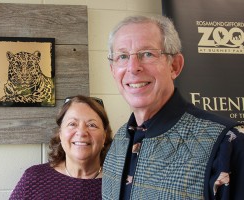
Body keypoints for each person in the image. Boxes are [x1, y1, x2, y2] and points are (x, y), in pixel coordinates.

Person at [102, 15, 244, 200]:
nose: (133, 67)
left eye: (147, 54)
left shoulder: (227, 143)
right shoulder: (119, 141)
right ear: (113, 70)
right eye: (122, 56)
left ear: (175, 66)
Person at [10, 95, 113, 200]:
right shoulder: (34, 179)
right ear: (60, 133)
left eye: (92, 125)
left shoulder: (121, 184)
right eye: (72, 124)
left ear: (104, 136)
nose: (81, 132)